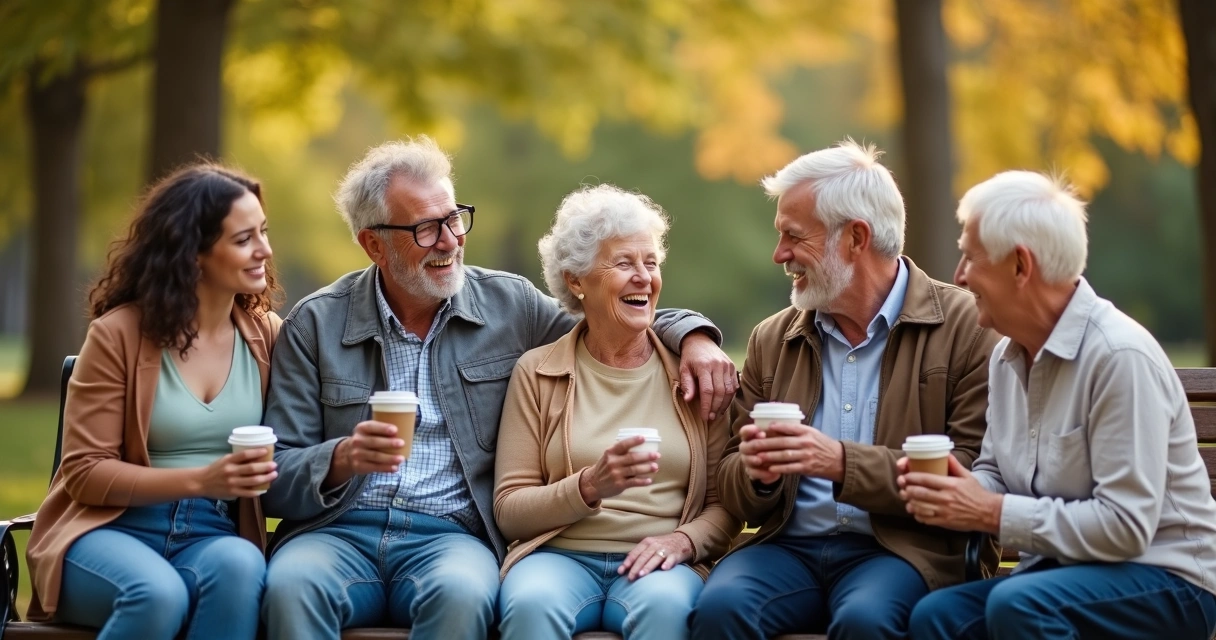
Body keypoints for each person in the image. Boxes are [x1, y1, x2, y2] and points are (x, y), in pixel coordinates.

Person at [259, 137, 737, 640]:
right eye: (425, 228)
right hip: (335, 531)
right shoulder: (316, 323)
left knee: (462, 595)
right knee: (291, 587)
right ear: (373, 244)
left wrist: (694, 336)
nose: (450, 240)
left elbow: (610, 319)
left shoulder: (510, 306)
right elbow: (274, 477)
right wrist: (345, 457)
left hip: (449, 537)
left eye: (453, 218)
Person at [690, 139, 1002, 640]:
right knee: (720, 607)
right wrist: (757, 474)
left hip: (904, 549)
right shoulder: (774, 338)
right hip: (788, 549)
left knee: (866, 621)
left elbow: (968, 469)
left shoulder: (967, 326)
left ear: (855, 238)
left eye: (793, 237)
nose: (779, 255)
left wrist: (839, 462)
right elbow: (731, 482)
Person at [901, 170, 1216, 640]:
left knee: (1017, 605)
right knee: (936, 617)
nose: (958, 275)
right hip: (1059, 573)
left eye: (970, 257)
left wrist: (989, 512)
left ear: (1020, 267)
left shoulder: (1118, 357)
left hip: (1167, 578)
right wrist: (959, 490)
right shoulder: (1007, 356)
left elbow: (1126, 527)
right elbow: (995, 471)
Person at [24, 164, 282, 640]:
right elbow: (84, 472)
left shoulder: (266, 336)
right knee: (156, 594)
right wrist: (202, 478)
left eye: (263, 232)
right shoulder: (117, 335)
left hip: (210, 530)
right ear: (194, 254)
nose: (265, 250)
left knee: (243, 566)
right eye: (245, 239)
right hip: (107, 529)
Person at [492, 185, 741, 640]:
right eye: (624, 263)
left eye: (651, 263)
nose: (644, 277)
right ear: (575, 280)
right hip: (558, 557)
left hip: (660, 564)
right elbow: (510, 509)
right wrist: (590, 485)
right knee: (529, 606)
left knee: (666, 611)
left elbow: (725, 502)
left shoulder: (696, 372)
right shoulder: (537, 372)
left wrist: (682, 542)